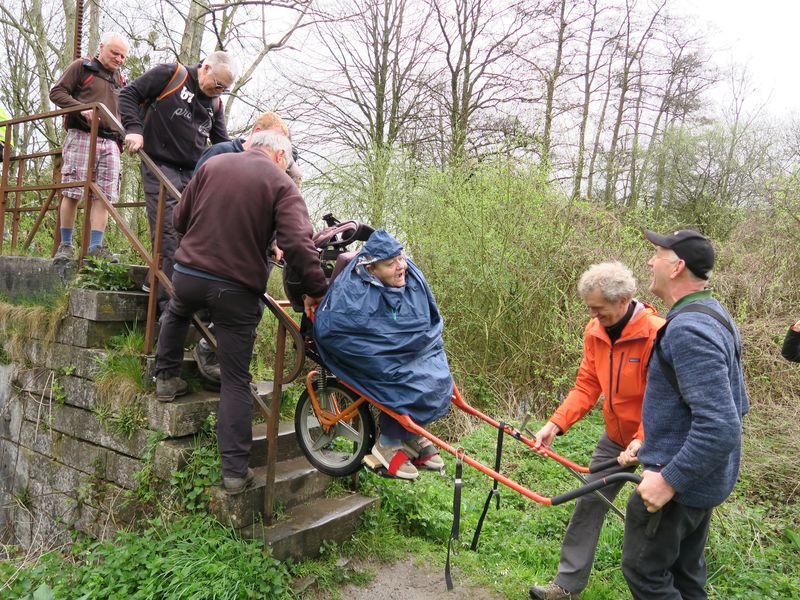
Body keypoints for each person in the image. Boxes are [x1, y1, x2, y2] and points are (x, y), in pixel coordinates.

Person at [153, 130, 327, 495]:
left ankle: (166, 380)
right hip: (236, 289)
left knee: (178, 312)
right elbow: (298, 242)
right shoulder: (281, 184)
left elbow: (179, 219)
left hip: (188, 273)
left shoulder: (213, 164)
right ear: (280, 156)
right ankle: (234, 473)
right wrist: (315, 289)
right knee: (235, 379)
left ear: (253, 145)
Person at [621, 229, 749, 599]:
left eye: (657, 254)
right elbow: (739, 405)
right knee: (685, 576)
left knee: (644, 572)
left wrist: (669, 479)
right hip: (702, 481)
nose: (649, 261)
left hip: (678, 487)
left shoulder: (689, 329)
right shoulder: (713, 313)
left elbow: (722, 424)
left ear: (676, 267)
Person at [529, 262, 664, 600]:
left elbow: (662, 398)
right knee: (589, 502)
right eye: (590, 308)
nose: (593, 315)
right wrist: (555, 424)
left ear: (624, 300)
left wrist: (642, 440)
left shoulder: (657, 333)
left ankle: (660, 588)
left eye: (599, 309)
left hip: (660, 439)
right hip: (615, 438)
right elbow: (587, 385)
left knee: (656, 513)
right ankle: (566, 587)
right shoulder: (595, 331)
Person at [314, 229, 451, 480]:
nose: (401, 267)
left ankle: (410, 434)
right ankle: (387, 442)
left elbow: (429, 318)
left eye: (400, 258)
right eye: (391, 263)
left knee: (437, 377)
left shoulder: (411, 278)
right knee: (402, 379)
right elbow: (340, 329)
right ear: (372, 269)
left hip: (411, 348)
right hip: (373, 352)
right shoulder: (355, 291)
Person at [118, 51, 234, 311]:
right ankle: (167, 308)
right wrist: (134, 130)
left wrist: (241, 164)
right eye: (217, 85)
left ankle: (155, 282)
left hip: (191, 171)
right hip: (160, 163)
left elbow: (222, 141)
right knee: (169, 230)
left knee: (194, 232)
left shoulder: (215, 104)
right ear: (205, 68)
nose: (218, 92)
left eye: (224, 90)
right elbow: (128, 94)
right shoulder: (172, 75)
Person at [191, 111, 298, 383]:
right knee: (230, 302)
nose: (280, 151)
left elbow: (272, 206)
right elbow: (195, 195)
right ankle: (209, 350)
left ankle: (231, 365)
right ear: (258, 131)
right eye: (277, 141)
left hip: (254, 247)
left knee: (255, 305)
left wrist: (275, 238)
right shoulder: (222, 152)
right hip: (216, 244)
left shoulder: (275, 168)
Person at [49, 32, 129, 263]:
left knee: (103, 196)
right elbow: (57, 92)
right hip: (83, 135)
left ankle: (96, 247)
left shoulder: (121, 79)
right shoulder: (82, 67)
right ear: (101, 47)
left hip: (111, 141)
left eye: (122, 56)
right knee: (72, 191)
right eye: (115, 53)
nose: (118, 59)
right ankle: (66, 245)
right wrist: (80, 108)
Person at [195, 110, 302, 186]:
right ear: (258, 132)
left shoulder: (267, 168)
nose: (275, 145)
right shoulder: (220, 152)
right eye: (273, 138)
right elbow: (195, 187)